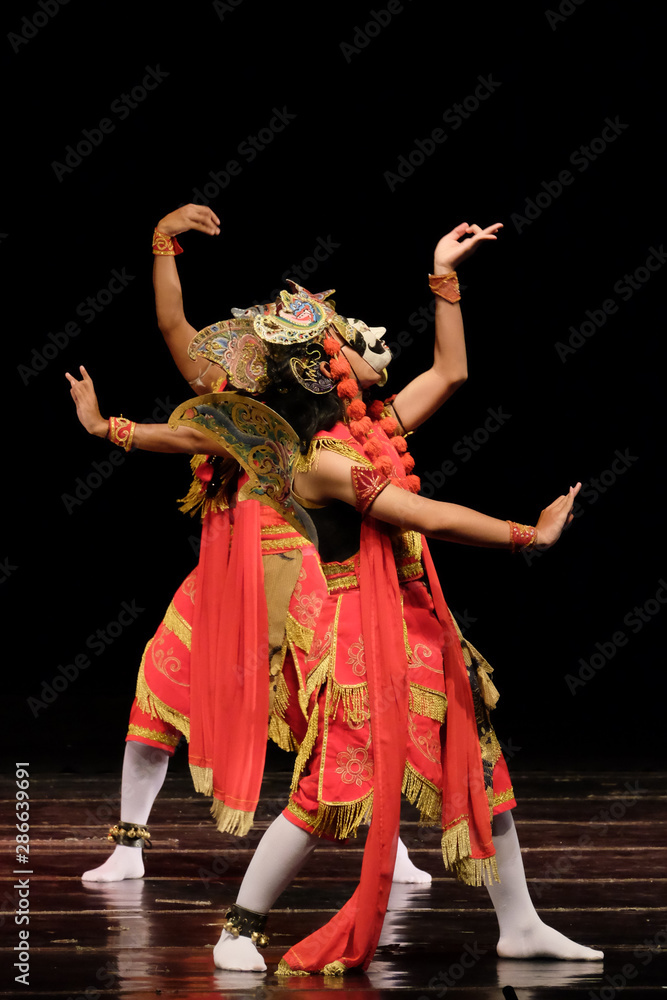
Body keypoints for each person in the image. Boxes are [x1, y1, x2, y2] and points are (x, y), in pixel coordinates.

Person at [68, 213, 602, 975]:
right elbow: (426, 515)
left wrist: (442, 276)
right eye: (349, 340)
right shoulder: (316, 461)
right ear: (326, 373)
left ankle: (518, 922)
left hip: (417, 622)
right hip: (357, 632)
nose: (367, 341)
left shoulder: (374, 426)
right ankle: (237, 930)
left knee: (480, 765)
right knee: (328, 789)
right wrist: (529, 534)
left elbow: (449, 374)